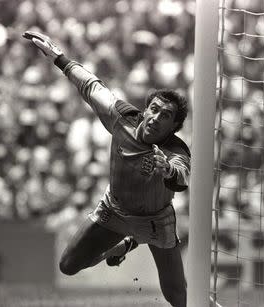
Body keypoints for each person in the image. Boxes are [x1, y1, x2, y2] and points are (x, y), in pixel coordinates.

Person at [23, 31, 190, 307]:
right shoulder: (121, 118)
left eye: (166, 116)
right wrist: (58, 58)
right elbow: (90, 85)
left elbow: (181, 175)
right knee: (68, 265)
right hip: (113, 210)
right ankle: (126, 242)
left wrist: (168, 171)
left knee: (178, 298)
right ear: (146, 109)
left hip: (155, 221)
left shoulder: (176, 150)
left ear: (174, 127)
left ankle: (133, 239)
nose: (156, 118)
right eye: (155, 109)